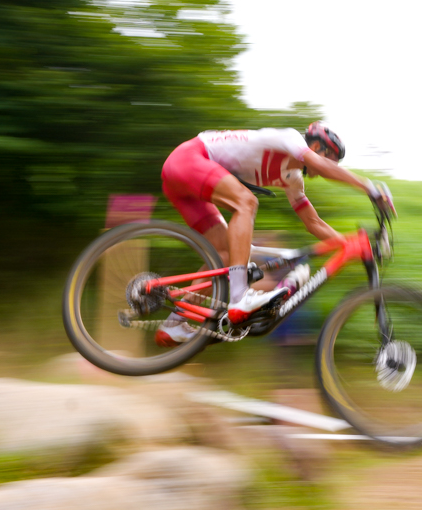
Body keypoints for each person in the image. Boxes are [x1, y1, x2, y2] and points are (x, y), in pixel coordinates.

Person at [155, 121, 393, 344]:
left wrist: (350, 245)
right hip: (188, 158)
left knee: (226, 255)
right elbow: (320, 164)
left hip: (183, 182)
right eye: (330, 158)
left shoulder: (293, 179)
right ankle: (239, 297)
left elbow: (313, 222)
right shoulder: (290, 138)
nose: (329, 167)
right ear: (316, 145)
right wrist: (369, 187)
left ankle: (175, 320)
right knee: (246, 203)